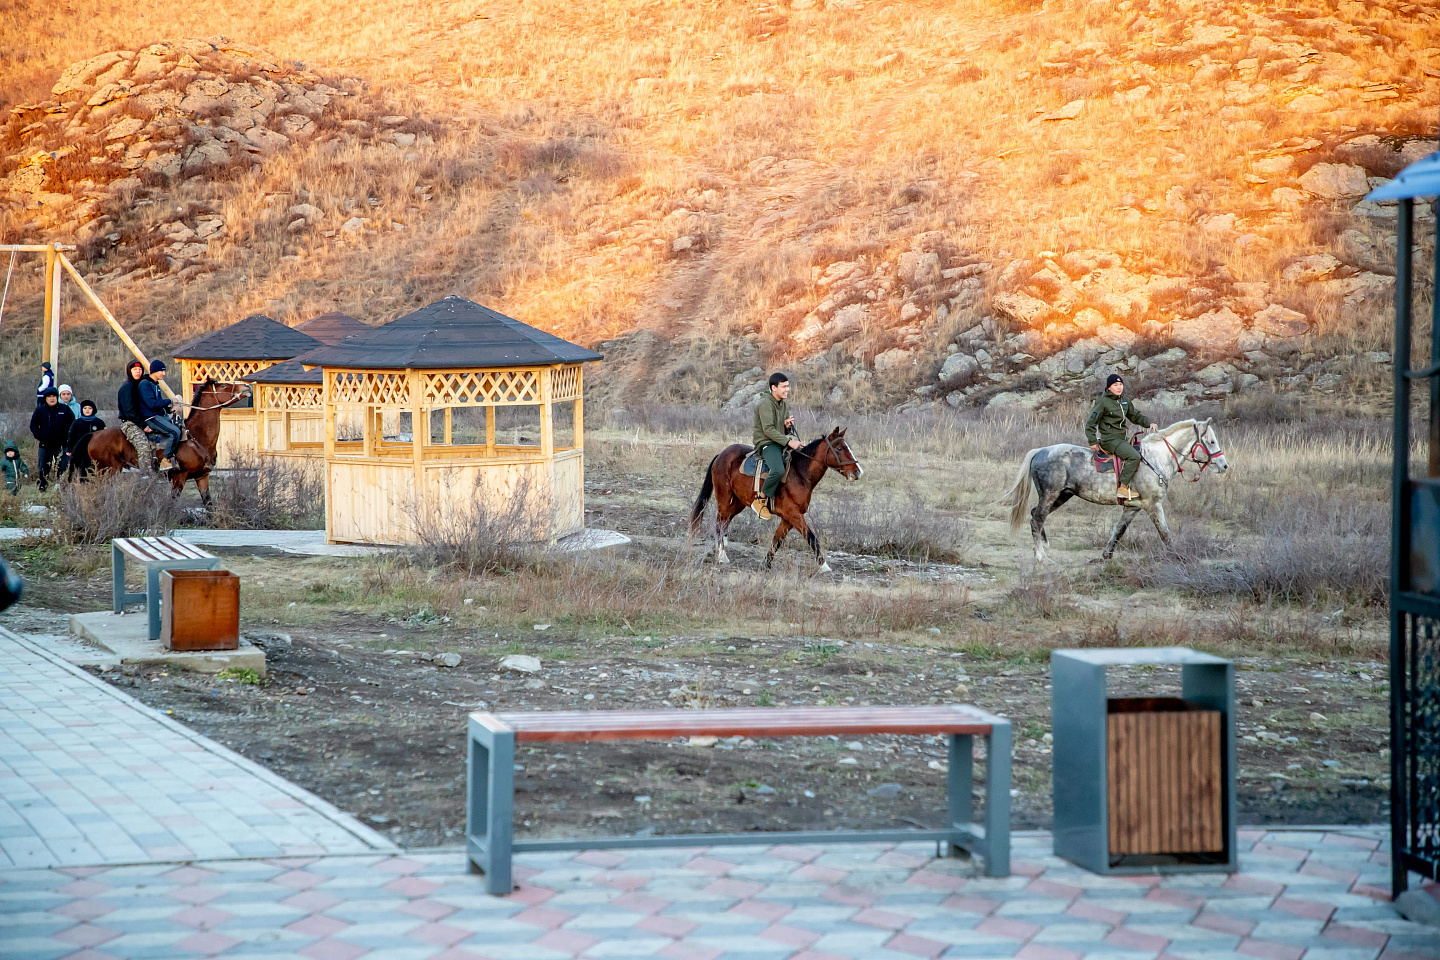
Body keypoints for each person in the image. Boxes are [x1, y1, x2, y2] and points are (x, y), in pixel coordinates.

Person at [1086, 373, 1156, 502]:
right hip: (1110, 440)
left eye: (1120, 384)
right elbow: (1091, 422)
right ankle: (1122, 488)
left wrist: (1148, 423)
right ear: (1109, 387)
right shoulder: (1103, 402)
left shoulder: (1125, 401)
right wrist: (1092, 441)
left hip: (1122, 438)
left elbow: (1135, 416)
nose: (1119, 387)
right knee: (1134, 456)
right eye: (1115, 385)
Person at [750, 371, 802, 519]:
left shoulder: (782, 404)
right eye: (784, 387)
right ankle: (760, 500)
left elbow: (780, 430)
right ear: (774, 388)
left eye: (788, 386)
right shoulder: (765, 403)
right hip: (766, 442)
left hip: (778, 441)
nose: (787, 390)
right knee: (778, 470)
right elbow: (768, 430)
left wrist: (786, 427)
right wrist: (789, 442)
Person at [29, 386, 75, 491]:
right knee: (43, 468)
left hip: (61, 445)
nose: (52, 398)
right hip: (45, 445)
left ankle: (62, 488)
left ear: (57, 397)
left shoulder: (65, 409)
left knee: (62, 467)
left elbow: (73, 425)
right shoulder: (40, 410)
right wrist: (40, 436)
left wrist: (68, 438)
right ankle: (42, 488)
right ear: (46, 398)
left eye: (54, 396)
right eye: (49, 396)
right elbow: (33, 425)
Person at [139, 360, 182, 467]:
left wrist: (169, 410)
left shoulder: (155, 384)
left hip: (159, 416)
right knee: (175, 432)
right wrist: (170, 400)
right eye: (162, 371)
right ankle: (165, 460)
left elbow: (159, 404)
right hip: (151, 418)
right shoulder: (145, 384)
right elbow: (152, 404)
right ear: (154, 371)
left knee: (180, 427)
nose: (164, 374)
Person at [117, 359, 154, 470]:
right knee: (144, 447)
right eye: (134, 369)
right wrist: (143, 426)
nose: (138, 371)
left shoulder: (140, 385)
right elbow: (129, 411)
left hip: (142, 420)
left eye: (140, 369)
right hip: (130, 423)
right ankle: (146, 474)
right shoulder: (127, 387)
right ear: (129, 371)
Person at [61, 399, 105, 479]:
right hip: (80, 450)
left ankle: (94, 483)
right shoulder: (77, 422)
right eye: (85, 408)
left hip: (95, 450)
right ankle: (80, 483)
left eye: (89, 408)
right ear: (81, 410)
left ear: (93, 410)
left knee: (94, 468)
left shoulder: (99, 422)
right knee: (80, 469)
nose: (87, 410)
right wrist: (69, 449)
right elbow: (71, 437)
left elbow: (104, 437)